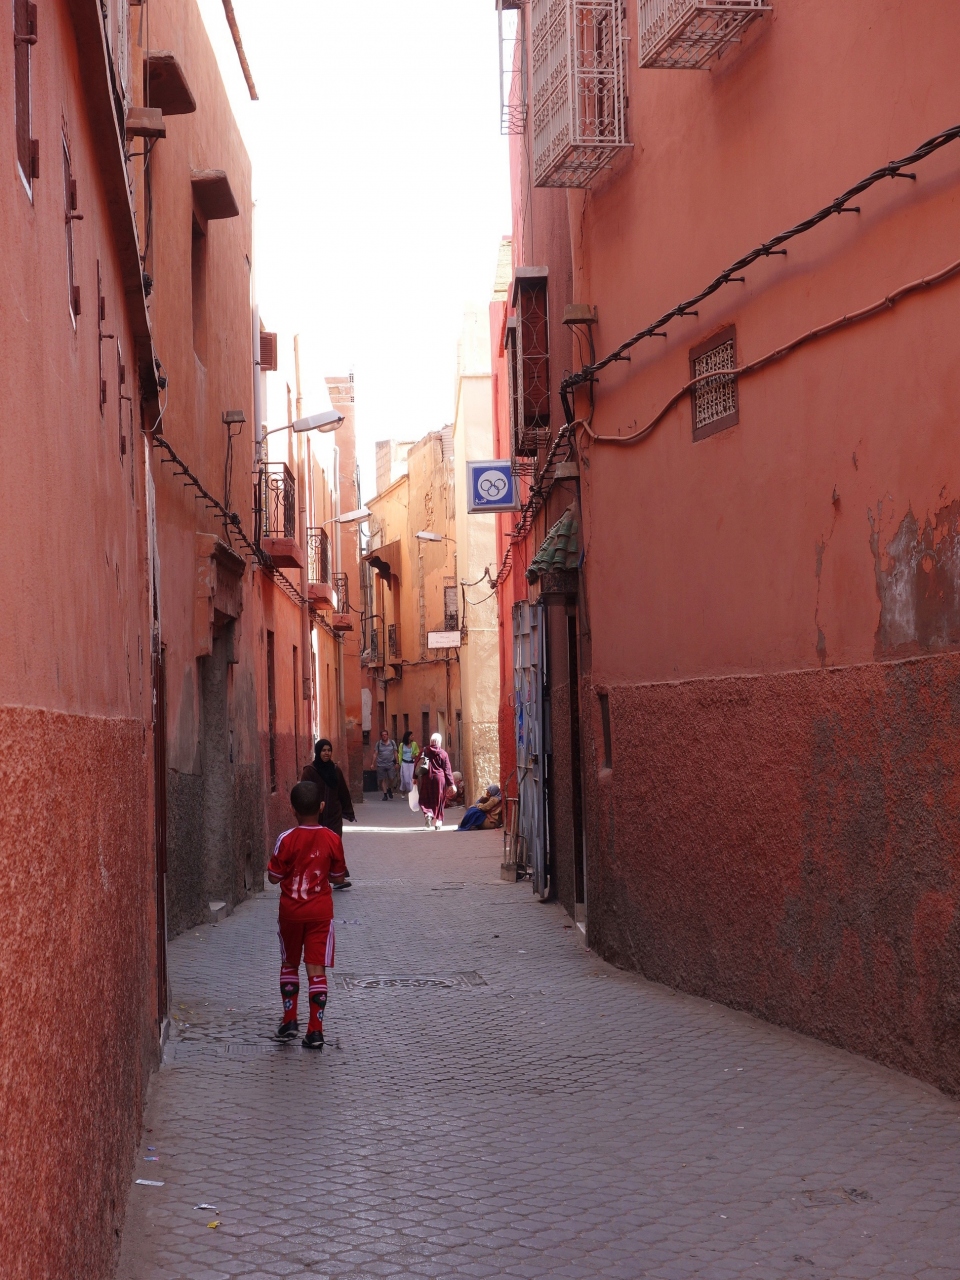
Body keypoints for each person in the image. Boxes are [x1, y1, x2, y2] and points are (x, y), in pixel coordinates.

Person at [267, 781, 347, 1050]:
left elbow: (273, 877)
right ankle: (315, 1031)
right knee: (316, 968)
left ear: (293, 810)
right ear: (321, 807)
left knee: (290, 963)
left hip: (290, 912)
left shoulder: (285, 839)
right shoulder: (332, 839)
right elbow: (338, 877)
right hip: (320, 913)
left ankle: (289, 1020)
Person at [301, 739, 356, 889]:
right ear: (318, 752)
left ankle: (338, 878)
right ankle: (317, 878)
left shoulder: (335, 770)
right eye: (324, 750)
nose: (327, 753)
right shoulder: (309, 771)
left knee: (335, 845)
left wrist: (348, 811)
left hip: (333, 815)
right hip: (315, 817)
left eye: (329, 750)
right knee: (317, 848)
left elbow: (343, 792)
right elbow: (304, 792)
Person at [415, 732, 455, 830]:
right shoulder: (443, 754)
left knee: (425, 798)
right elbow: (447, 770)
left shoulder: (424, 750)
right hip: (439, 780)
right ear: (439, 742)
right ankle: (437, 822)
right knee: (439, 801)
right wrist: (451, 784)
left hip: (427, 778)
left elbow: (416, 763)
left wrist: (414, 777)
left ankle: (428, 814)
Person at [372, 728, 398, 800]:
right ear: (381, 736)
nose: (384, 736)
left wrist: (397, 762)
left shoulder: (392, 742)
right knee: (383, 779)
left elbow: (395, 753)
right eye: (383, 735)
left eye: (385, 734)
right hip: (381, 764)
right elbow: (375, 754)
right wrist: (372, 763)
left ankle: (389, 788)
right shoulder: (378, 744)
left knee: (391, 778)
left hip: (390, 763)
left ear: (387, 735)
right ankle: (385, 794)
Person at [397, 729, 419, 795]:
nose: (413, 736)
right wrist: (399, 763)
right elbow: (400, 754)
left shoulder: (414, 744)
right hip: (404, 763)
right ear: (408, 737)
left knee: (412, 778)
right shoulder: (402, 745)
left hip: (412, 763)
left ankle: (411, 793)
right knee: (406, 779)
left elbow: (418, 752)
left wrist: (414, 755)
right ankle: (404, 790)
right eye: (411, 735)